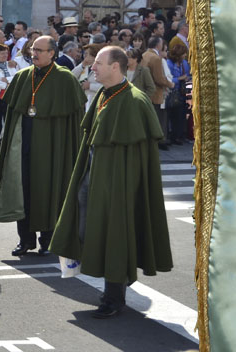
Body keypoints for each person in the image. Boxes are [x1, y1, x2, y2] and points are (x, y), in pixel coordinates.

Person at [51, 46, 172, 318]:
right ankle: (112, 277)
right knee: (87, 229)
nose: (92, 67)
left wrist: (123, 189)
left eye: (98, 63)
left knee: (114, 234)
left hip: (118, 185)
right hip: (93, 178)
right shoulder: (104, 94)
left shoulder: (135, 101)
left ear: (115, 66)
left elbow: (139, 158)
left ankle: (114, 297)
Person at [0, 36, 85, 257]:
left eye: (40, 50)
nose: (34, 54)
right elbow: (12, 115)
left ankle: (48, 240)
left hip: (53, 150)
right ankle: (25, 240)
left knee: (49, 192)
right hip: (24, 147)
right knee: (23, 192)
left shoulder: (65, 79)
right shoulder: (23, 76)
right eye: (33, 49)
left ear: (52, 53)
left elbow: (75, 121)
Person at [141, 36, 173, 150]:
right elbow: (159, 79)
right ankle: (157, 141)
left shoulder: (145, 55)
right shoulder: (155, 58)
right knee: (157, 118)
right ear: (158, 45)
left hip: (145, 92)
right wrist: (170, 84)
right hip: (155, 93)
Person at [166, 44, 191, 145]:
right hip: (172, 92)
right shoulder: (169, 63)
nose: (185, 55)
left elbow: (188, 75)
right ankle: (173, 135)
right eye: (184, 53)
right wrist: (179, 78)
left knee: (181, 114)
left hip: (182, 92)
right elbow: (168, 79)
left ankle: (179, 135)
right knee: (173, 115)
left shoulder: (184, 63)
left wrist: (187, 79)